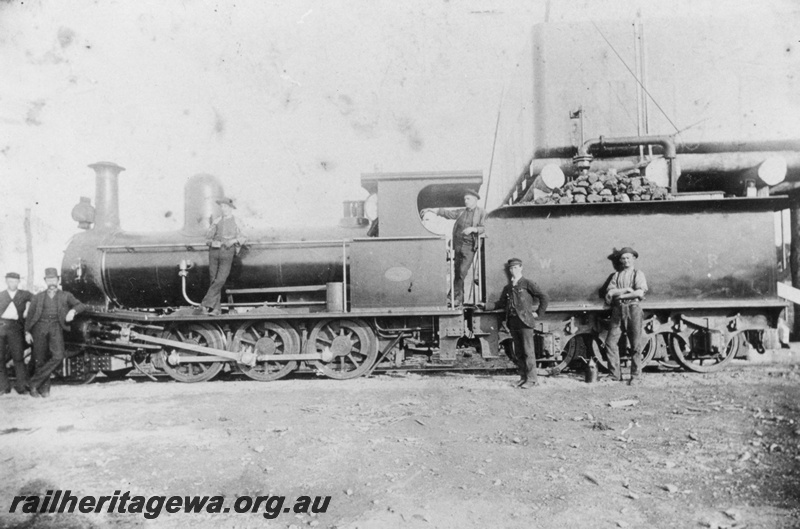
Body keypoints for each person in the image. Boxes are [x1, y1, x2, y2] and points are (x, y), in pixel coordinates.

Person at [25, 268, 86, 398]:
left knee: (58, 356)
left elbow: (81, 305)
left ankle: (33, 382)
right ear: (45, 281)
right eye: (49, 279)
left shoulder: (66, 295)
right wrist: (27, 332)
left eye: (54, 279)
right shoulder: (38, 297)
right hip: (39, 328)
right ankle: (43, 389)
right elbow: (30, 316)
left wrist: (72, 311)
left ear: (58, 280)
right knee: (40, 359)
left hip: (56, 328)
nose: (51, 281)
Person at [489, 258, 549, 389]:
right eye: (511, 268)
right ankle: (523, 377)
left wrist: (539, 313)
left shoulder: (527, 283)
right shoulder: (509, 287)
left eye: (516, 268)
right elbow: (501, 304)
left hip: (525, 322)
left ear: (521, 268)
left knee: (528, 351)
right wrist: (485, 306)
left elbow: (544, 297)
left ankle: (532, 380)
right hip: (513, 322)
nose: (513, 270)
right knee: (519, 352)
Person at [422, 189, 486, 307]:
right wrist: (433, 210)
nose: (466, 201)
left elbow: (483, 227)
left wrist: (473, 229)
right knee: (457, 273)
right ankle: (458, 300)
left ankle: (450, 297)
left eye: (468, 199)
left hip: (469, 246)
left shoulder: (481, 212)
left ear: (475, 200)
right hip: (458, 245)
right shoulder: (461, 211)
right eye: (465, 199)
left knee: (462, 272)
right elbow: (448, 214)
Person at [603, 247, 648, 385]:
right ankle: (615, 374)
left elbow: (639, 293)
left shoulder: (638, 274)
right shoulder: (616, 276)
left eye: (628, 257)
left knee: (635, 344)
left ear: (633, 259)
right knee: (610, 343)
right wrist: (627, 289)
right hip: (618, 310)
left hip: (633, 309)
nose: (625, 260)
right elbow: (609, 293)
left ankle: (636, 376)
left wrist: (621, 294)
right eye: (623, 258)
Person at [194, 197, 246, 315]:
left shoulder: (237, 221)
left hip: (227, 251)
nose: (224, 209)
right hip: (214, 252)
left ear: (231, 208)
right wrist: (212, 242)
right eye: (222, 207)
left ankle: (205, 304)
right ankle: (216, 309)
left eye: (226, 207)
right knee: (213, 280)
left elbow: (244, 236)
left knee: (221, 279)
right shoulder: (216, 221)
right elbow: (207, 238)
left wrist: (233, 241)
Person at [0, 272, 33, 395]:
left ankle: (22, 387)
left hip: (15, 328)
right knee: (0, 358)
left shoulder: (25, 294)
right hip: (1, 327)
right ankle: (3, 387)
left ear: (18, 282)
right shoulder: (1, 295)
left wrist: (28, 308)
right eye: (9, 281)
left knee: (18, 358)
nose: (12, 284)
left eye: (14, 281)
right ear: (6, 282)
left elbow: (36, 300)